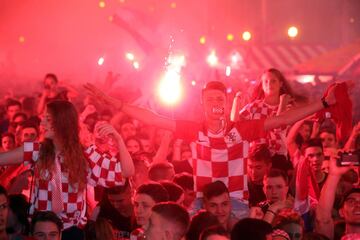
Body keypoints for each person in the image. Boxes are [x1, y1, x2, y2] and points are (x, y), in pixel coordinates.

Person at [85, 79, 338, 219]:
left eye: (220, 100)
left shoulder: (243, 129)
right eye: (210, 100)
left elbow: (284, 119)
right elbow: (152, 118)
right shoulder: (194, 129)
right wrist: (114, 103)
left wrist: (324, 102)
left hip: (236, 204)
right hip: (201, 204)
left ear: (226, 102)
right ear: (203, 104)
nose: (215, 104)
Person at [0, 100, 134, 238]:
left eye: (48, 119)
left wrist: (119, 139)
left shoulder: (85, 155)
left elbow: (127, 171)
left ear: (62, 122)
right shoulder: (36, 151)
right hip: (42, 230)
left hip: (71, 232)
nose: (42, 124)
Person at [236, 68, 304, 157]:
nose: (269, 84)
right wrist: (236, 101)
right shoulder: (253, 107)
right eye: (266, 81)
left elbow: (278, 128)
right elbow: (236, 124)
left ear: (281, 84)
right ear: (262, 85)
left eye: (273, 81)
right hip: (257, 157)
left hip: (279, 157)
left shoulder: (289, 107)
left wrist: (282, 104)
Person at [316, 156, 360, 239]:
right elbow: (322, 219)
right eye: (351, 201)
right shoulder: (333, 237)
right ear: (341, 212)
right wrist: (334, 175)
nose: (358, 205)